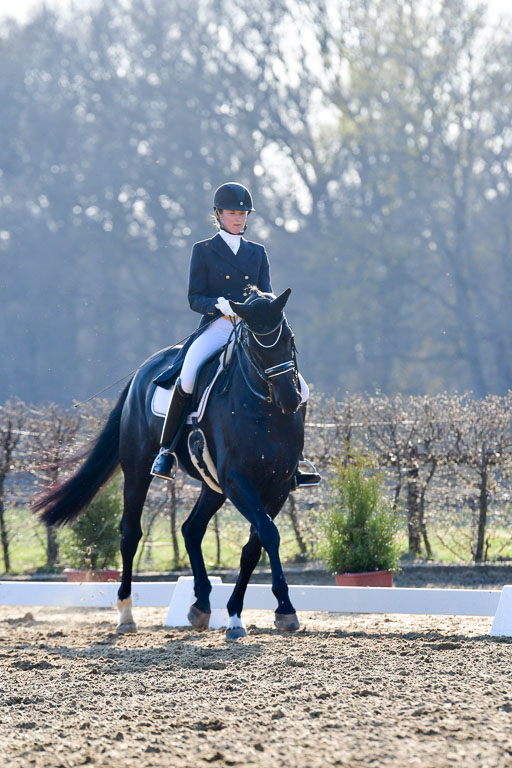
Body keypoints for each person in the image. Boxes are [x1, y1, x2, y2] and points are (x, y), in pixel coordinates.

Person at [151, 181, 321, 490]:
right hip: (217, 326)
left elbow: (266, 290)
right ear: (218, 214)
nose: (239, 218)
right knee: (188, 375)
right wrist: (219, 306)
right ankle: (166, 452)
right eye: (232, 213)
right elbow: (194, 297)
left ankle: (296, 459)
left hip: (251, 329)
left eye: (243, 213)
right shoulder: (203, 250)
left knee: (302, 389)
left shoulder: (257, 252)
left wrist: (260, 308)